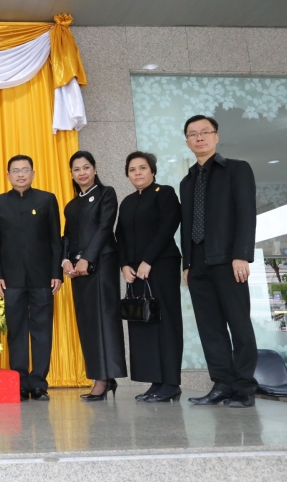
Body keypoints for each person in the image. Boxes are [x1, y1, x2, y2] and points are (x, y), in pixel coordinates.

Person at [180, 115, 258, 408]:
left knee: (239, 325)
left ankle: (245, 388)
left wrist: (242, 255)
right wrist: (187, 264)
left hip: (228, 260)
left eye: (205, 132)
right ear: (187, 141)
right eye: (192, 134)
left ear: (216, 137)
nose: (199, 137)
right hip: (198, 264)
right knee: (210, 329)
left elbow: (246, 214)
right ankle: (222, 384)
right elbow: (186, 225)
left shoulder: (237, 170)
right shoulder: (187, 181)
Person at [0, 155, 62, 402]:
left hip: (42, 278)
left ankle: (39, 383)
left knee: (42, 330)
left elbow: (55, 240)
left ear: (33, 173)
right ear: (8, 175)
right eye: (15, 171)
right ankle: (19, 382)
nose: (20, 174)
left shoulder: (46, 200)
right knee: (17, 330)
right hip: (11, 280)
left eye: (25, 170)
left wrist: (56, 273)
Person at [116, 152, 183, 403]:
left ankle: (171, 383)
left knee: (166, 322)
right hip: (134, 271)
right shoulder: (128, 201)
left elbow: (169, 226)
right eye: (132, 169)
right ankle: (156, 381)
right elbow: (119, 235)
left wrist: (148, 260)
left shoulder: (164, 193)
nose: (138, 173)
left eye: (142, 168)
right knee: (144, 322)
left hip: (161, 265)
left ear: (152, 170)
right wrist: (124, 264)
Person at [62, 150, 127, 401]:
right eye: (77, 169)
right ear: (72, 174)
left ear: (95, 169)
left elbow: (104, 227)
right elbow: (66, 236)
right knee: (88, 322)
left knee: (104, 319)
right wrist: (66, 260)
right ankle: (100, 376)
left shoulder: (106, 193)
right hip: (78, 270)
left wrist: (87, 258)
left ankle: (104, 379)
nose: (82, 173)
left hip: (101, 264)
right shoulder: (71, 204)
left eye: (86, 167)